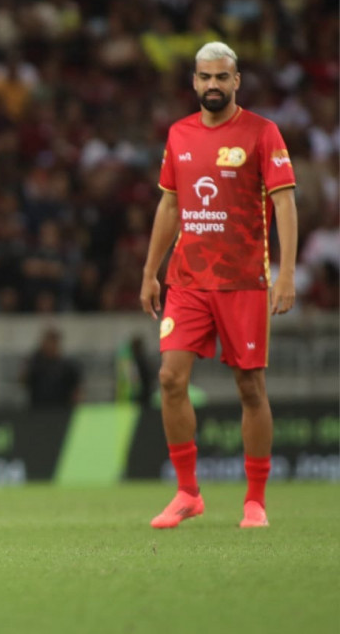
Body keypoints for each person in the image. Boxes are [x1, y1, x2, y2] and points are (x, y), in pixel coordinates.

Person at [140, 41, 297, 530]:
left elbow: (285, 204)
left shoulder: (262, 133)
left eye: (221, 77)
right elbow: (170, 206)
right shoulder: (179, 133)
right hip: (187, 278)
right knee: (169, 378)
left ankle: (255, 501)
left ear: (236, 81)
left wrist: (286, 273)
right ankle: (188, 493)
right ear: (193, 81)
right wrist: (150, 270)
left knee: (250, 386)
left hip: (243, 280)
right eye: (204, 77)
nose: (212, 85)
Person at [20, 327, 82, 409]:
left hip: (61, 410)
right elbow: (23, 382)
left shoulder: (67, 366)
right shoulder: (35, 363)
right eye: (47, 341)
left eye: (52, 342)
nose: (49, 345)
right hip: (37, 410)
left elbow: (76, 389)